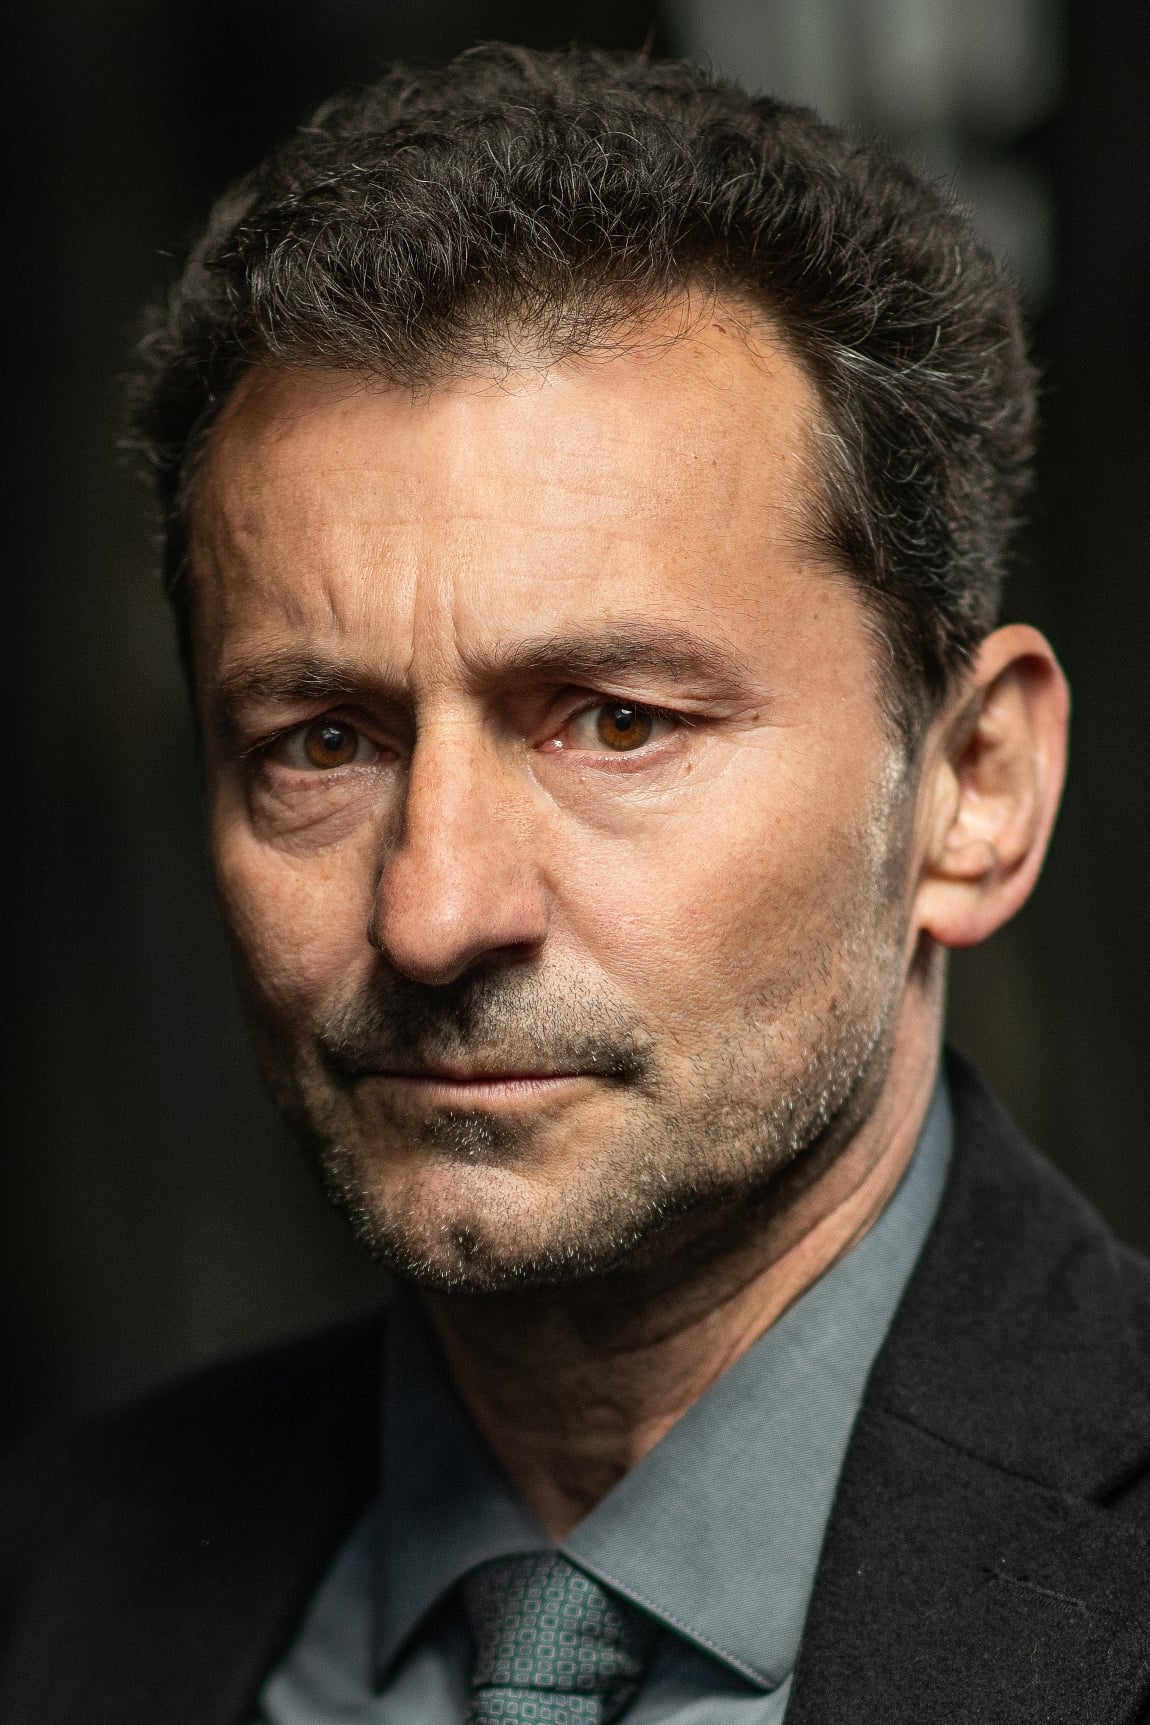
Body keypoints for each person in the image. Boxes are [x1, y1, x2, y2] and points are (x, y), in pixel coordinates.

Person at [3, 41, 1148, 1725]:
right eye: (322, 742)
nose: (432, 912)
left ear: (971, 789)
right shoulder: (51, 1580)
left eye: (616, 721)